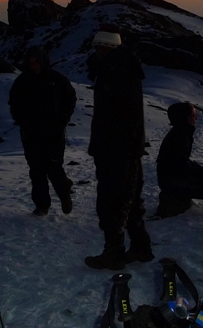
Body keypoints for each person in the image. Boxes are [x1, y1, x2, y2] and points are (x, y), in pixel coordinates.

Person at [84, 25, 153, 270]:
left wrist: (120, 146)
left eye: (101, 47)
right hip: (119, 147)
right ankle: (140, 247)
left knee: (113, 200)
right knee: (129, 199)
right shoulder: (117, 69)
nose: (97, 51)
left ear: (110, 48)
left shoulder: (118, 72)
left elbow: (127, 115)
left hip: (117, 149)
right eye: (97, 47)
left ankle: (114, 252)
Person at [8, 46, 77, 216]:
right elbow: (14, 104)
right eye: (30, 62)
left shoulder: (57, 79)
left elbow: (70, 99)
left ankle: (64, 194)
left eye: (36, 62)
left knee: (54, 168)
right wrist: (22, 121)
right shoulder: (22, 81)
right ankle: (42, 206)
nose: (34, 65)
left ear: (42, 61)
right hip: (31, 134)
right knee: (36, 171)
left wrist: (62, 120)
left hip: (54, 133)